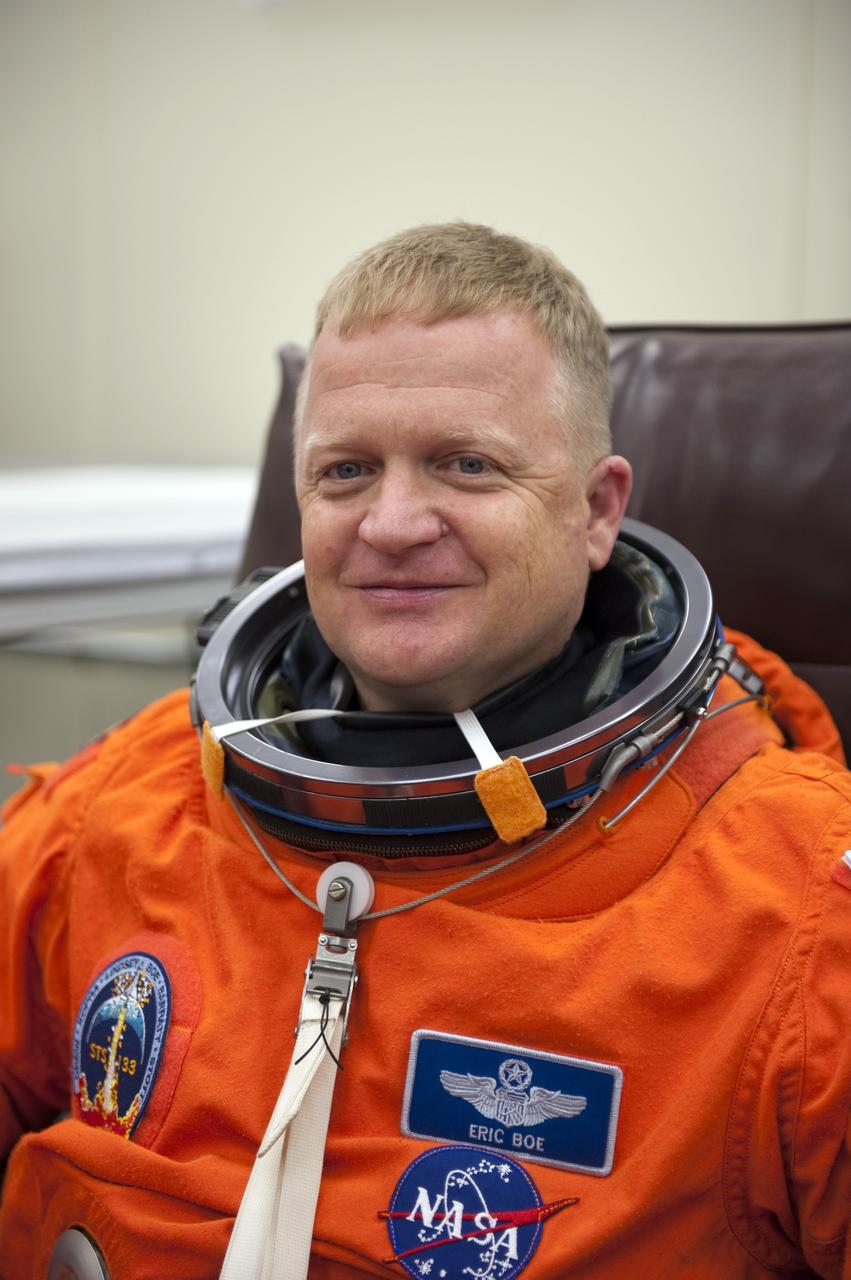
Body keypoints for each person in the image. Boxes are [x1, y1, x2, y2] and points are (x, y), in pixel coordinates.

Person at [1, 223, 850, 1280]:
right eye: (346, 470)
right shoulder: (133, 795)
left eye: (465, 464)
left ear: (595, 510)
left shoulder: (793, 910)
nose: (393, 523)